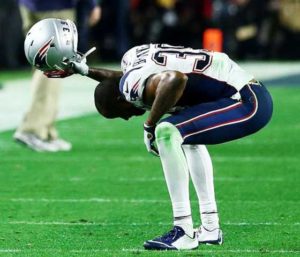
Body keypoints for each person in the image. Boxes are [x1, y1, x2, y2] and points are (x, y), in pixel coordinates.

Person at [25, 21, 273, 250]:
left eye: (122, 115)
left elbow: (175, 79)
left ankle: (183, 230)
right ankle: (209, 227)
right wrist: (85, 70)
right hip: (245, 91)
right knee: (187, 136)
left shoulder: (132, 90)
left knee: (167, 131)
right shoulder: (132, 59)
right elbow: (121, 80)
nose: (128, 117)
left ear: (123, 101)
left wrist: (150, 124)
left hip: (247, 102)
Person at [14, 0, 99, 152]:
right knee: (53, 66)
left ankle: (46, 130)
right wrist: (92, 4)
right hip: (55, 6)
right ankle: (33, 129)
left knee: (41, 65)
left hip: (29, 4)